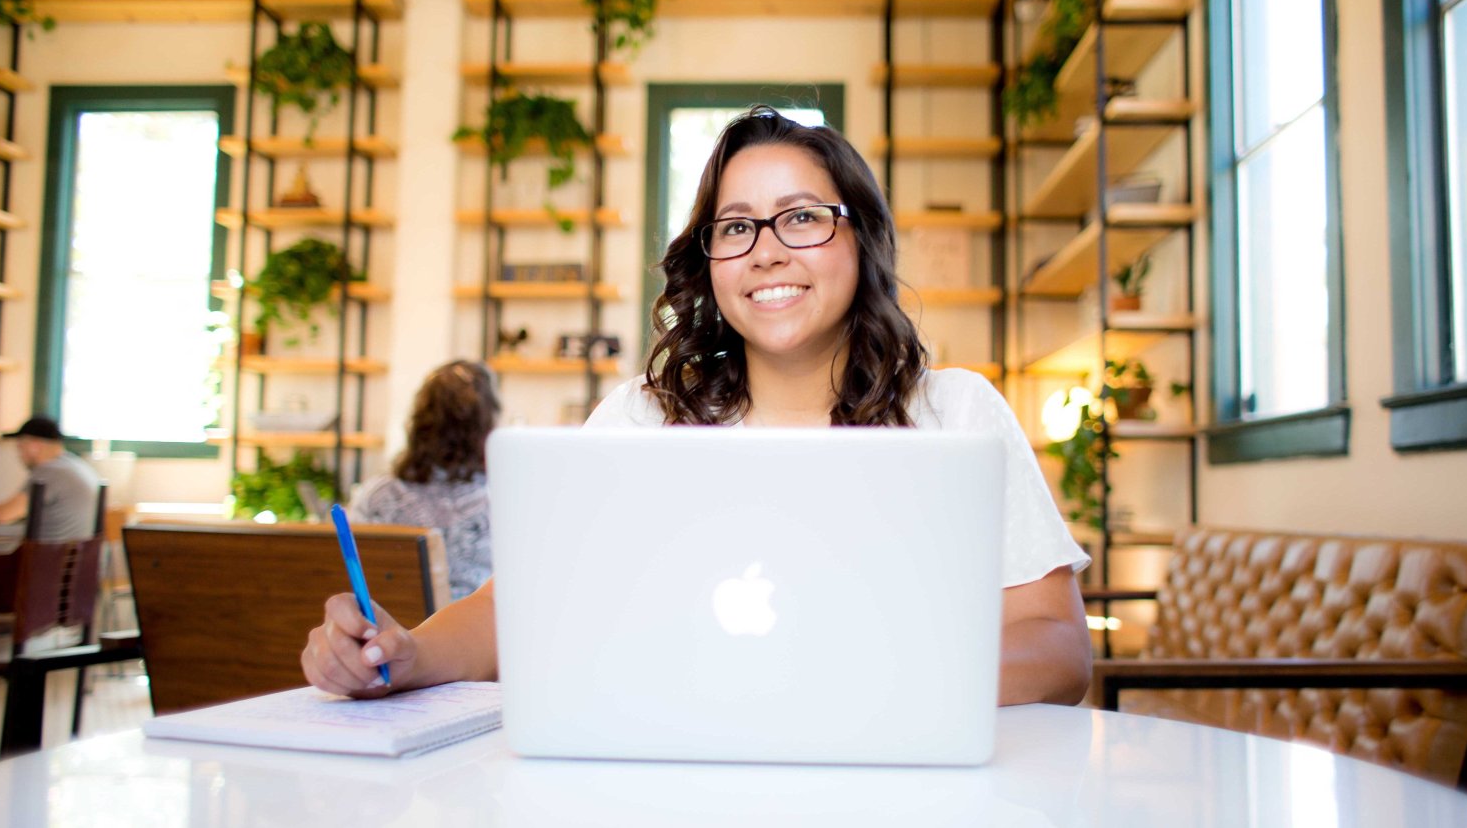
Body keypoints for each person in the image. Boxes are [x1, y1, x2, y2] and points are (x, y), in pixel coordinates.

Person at [303, 106, 1093, 706]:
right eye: (736, 227)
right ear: (708, 263)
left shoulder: (954, 413)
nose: (767, 249)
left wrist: (852, 686)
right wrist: (405, 658)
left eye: (803, 217)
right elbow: (517, 609)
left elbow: (1057, 647)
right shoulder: (640, 422)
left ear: (864, 239)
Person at [347, 360, 500, 600]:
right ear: (486, 424)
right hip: (480, 634)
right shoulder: (501, 498)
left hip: (392, 629)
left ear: (419, 422)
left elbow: (351, 575)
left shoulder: (378, 495)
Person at [0, 415, 100, 541]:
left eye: (19, 447)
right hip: (72, 567)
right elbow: (15, 508)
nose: (19, 454)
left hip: (47, 566)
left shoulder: (50, 471)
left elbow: (4, 514)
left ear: (34, 445)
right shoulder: (77, 466)